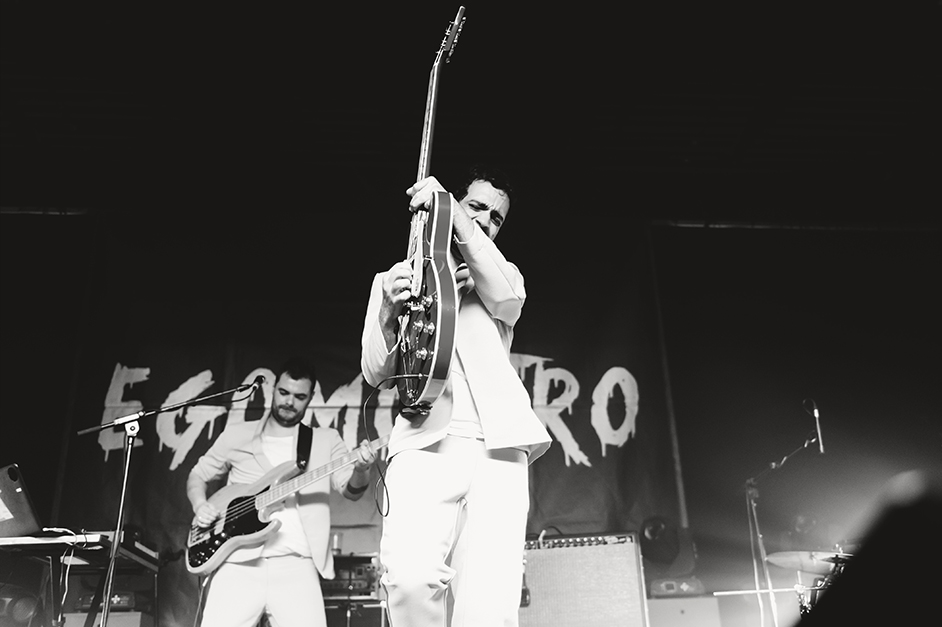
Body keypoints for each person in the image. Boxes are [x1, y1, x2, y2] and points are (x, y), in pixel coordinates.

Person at [360, 165, 552, 626]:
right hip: (424, 442)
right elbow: (375, 370)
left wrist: (452, 212)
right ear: (459, 203)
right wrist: (388, 310)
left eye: (496, 217)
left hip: (499, 447)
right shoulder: (393, 278)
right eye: (476, 206)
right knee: (407, 580)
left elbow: (509, 299)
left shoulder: (499, 275)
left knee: (490, 601)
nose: (486, 219)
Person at [187, 357, 377, 627]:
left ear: (311, 397)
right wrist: (200, 505)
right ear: (274, 389)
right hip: (237, 562)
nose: (289, 402)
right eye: (284, 392)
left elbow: (352, 491)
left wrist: (362, 468)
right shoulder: (237, 434)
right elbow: (198, 475)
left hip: (296, 564)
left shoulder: (325, 440)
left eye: (299, 397)